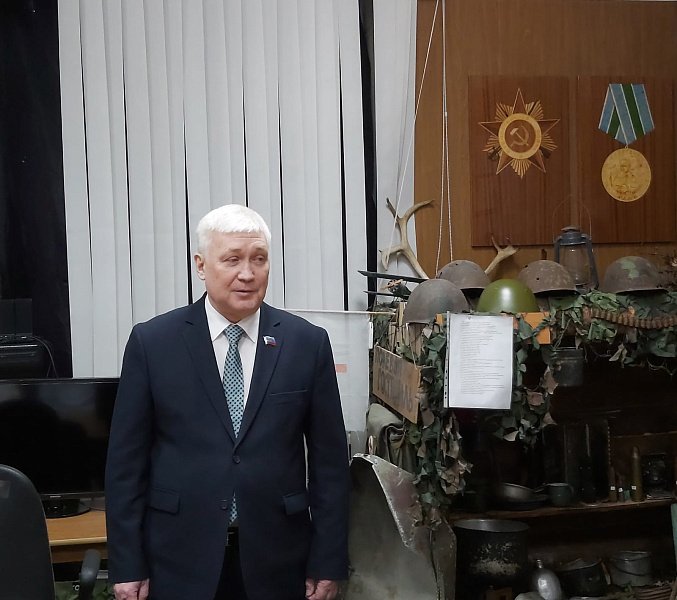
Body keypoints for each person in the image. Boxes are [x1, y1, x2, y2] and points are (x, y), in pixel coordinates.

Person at [105, 204, 350, 600]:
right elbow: (125, 466)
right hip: (177, 557)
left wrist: (328, 559)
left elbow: (330, 465)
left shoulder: (307, 343)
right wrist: (127, 564)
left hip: (279, 558)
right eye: (232, 259)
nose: (247, 273)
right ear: (201, 266)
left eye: (259, 259)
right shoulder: (153, 343)